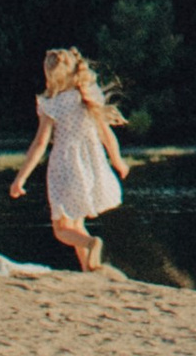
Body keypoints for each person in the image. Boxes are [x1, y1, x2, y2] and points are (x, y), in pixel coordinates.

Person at [7, 46, 127, 271]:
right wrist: (117, 160)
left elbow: (40, 143)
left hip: (65, 166)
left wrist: (20, 179)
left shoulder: (51, 103)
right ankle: (89, 270)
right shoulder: (88, 98)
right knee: (76, 223)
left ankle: (92, 243)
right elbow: (107, 135)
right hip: (91, 164)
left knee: (61, 229)